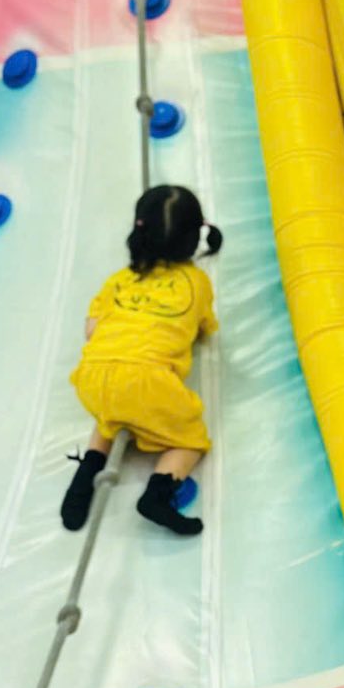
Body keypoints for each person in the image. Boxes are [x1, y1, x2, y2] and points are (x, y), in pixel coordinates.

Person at [61, 183, 220, 538]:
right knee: (190, 440)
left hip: (91, 377)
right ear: (192, 238)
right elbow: (206, 328)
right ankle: (158, 494)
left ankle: (87, 471)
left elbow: (91, 330)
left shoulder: (118, 280)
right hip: (149, 383)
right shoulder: (197, 282)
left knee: (109, 418)